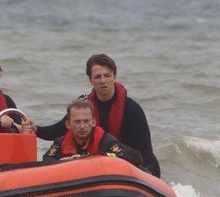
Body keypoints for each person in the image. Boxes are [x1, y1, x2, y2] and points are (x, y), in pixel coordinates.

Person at [32, 53, 161, 177]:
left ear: (114, 77)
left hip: (131, 165)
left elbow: (146, 152)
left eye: (107, 75)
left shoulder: (132, 109)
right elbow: (57, 130)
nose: (103, 81)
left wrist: (149, 177)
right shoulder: (84, 108)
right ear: (90, 80)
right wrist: (35, 130)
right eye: (97, 77)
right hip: (98, 168)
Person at [42, 98, 145, 170]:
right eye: (77, 122)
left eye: (86, 121)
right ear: (68, 124)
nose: (82, 126)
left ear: (93, 122)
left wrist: (101, 157)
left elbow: (136, 157)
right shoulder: (60, 142)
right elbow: (47, 161)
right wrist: (67, 161)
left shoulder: (105, 141)